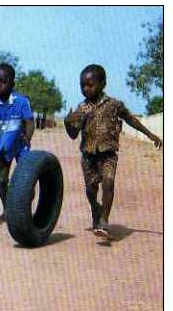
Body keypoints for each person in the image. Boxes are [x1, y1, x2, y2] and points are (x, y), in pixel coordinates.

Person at [64, 64, 162, 239]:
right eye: (82, 85)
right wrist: (67, 122)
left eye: (90, 85)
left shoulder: (114, 105)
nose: (86, 89)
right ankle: (96, 207)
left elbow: (131, 120)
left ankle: (104, 221)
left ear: (102, 84)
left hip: (108, 155)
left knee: (108, 183)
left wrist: (150, 134)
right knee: (90, 190)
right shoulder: (82, 108)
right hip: (88, 156)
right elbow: (73, 135)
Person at [0, 63, 34, 221]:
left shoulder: (21, 101)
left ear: (12, 84)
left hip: (21, 146)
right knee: (3, 179)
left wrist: (28, 136)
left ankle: (25, 208)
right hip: (3, 147)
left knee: (26, 178)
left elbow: (30, 121)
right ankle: (7, 210)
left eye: (3, 82)